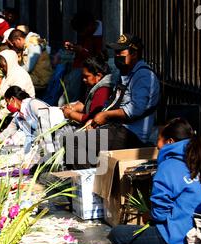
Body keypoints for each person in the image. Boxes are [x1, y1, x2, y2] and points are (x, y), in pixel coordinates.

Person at [108, 118, 201, 244]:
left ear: (170, 141)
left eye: (158, 141)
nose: (157, 146)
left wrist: (150, 216)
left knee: (117, 234)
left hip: (176, 238)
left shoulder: (169, 165)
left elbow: (160, 213)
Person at [62, 34, 160, 170]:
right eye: (116, 52)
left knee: (75, 142)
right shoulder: (125, 73)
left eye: (121, 52)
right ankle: (94, 179)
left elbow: (136, 109)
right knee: (74, 138)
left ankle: (88, 185)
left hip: (131, 134)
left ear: (134, 54)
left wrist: (106, 116)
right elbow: (113, 102)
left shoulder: (144, 76)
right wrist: (96, 119)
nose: (117, 55)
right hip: (117, 128)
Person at [62, 11, 103, 104]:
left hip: (90, 69)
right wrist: (74, 47)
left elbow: (98, 58)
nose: (81, 34)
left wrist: (81, 50)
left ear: (90, 25)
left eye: (82, 31)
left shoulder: (102, 35)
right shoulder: (87, 34)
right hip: (79, 67)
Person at [61, 54, 113, 125]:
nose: (84, 79)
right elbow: (84, 104)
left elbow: (91, 119)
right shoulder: (93, 86)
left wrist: (71, 114)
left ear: (98, 76)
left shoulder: (103, 91)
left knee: (65, 136)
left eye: (86, 76)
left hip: (102, 132)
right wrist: (73, 107)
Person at [0, 86, 47, 154]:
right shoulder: (18, 116)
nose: (7, 106)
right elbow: (7, 132)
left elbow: (49, 124)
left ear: (12, 99)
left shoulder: (34, 104)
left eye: (7, 102)